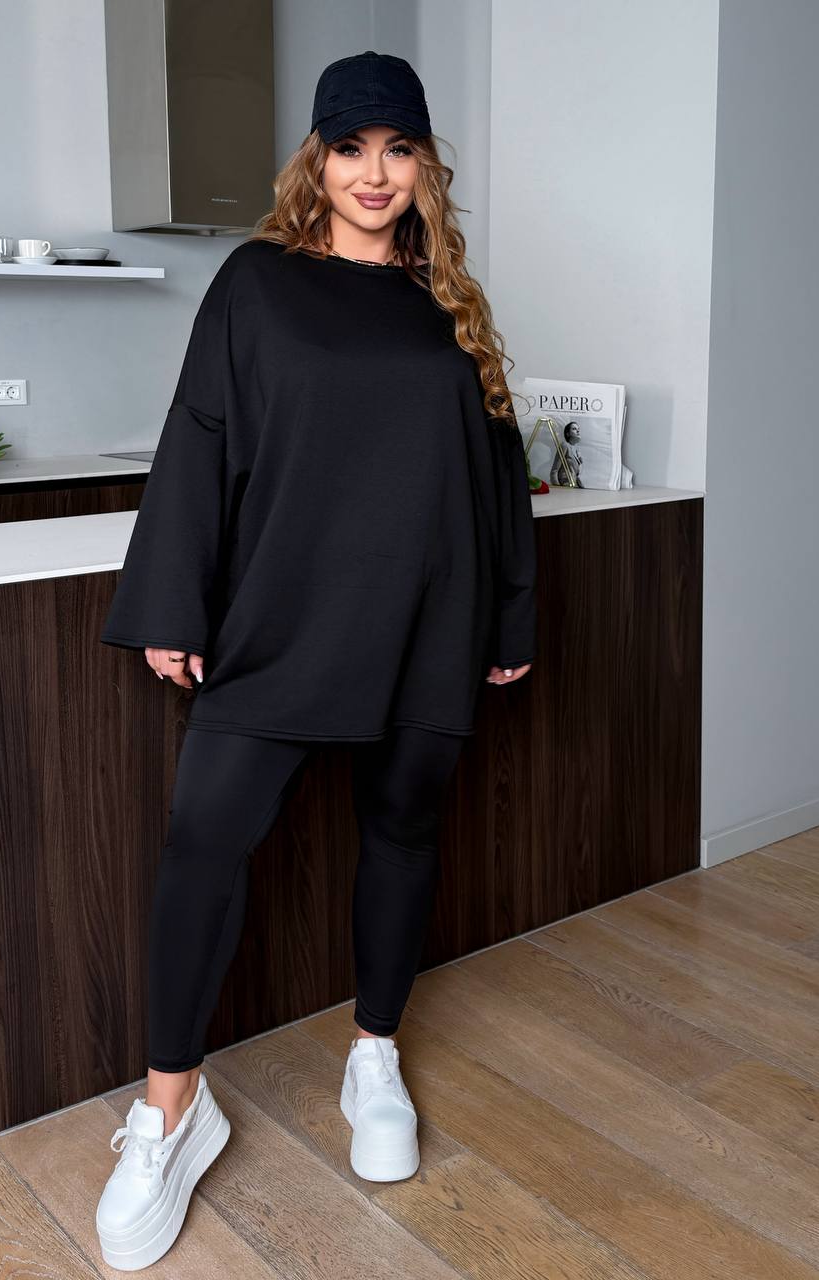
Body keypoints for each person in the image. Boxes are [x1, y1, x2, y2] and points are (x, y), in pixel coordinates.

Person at [94, 49, 537, 1272]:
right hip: (282, 618)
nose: (373, 174)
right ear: (317, 161)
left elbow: (497, 472)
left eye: (398, 150)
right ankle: (170, 1110)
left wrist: (509, 620)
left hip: (428, 617)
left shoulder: (452, 306)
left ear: (426, 166)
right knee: (204, 839)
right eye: (351, 149)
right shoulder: (257, 282)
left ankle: (373, 1053)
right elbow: (199, 438)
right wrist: (175, 599)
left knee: (403, 830)